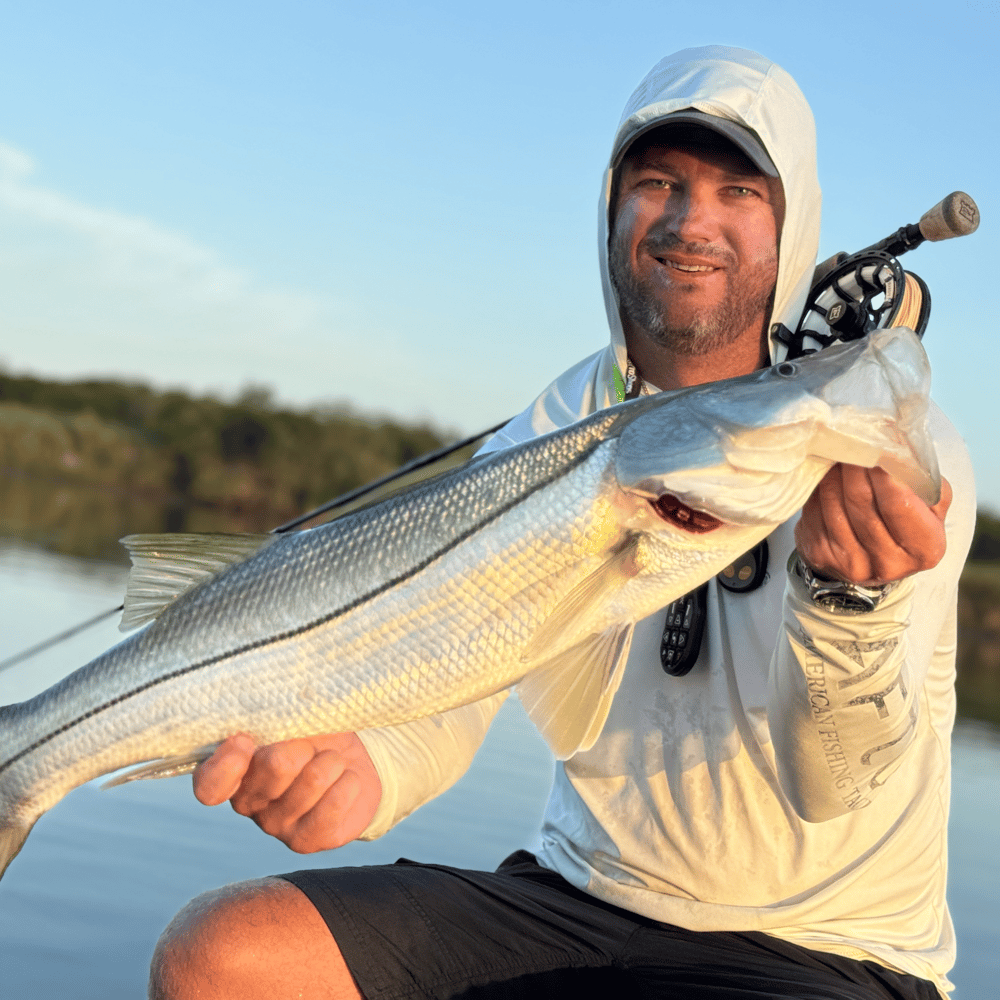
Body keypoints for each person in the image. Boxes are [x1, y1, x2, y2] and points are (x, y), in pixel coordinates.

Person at [149, 46, 975, 999]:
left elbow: (833, 785)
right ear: (611, 212)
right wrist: (367, 766)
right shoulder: (558, 422)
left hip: (831, 947)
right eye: (657, 181)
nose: (689, 219)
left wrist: (844, 603)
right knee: (221, 958)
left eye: (739, 191)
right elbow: (458, 658)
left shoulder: (879, 441)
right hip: (573, 893)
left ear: (791, 227)